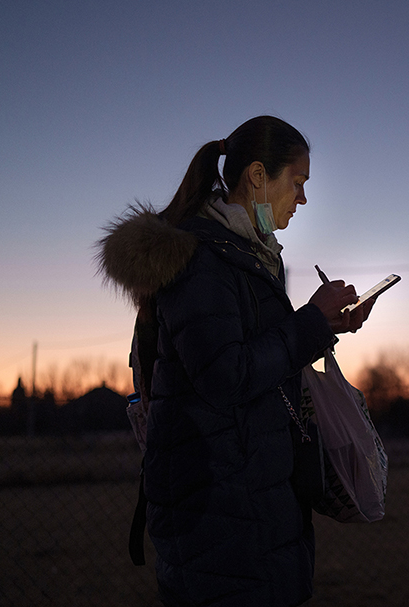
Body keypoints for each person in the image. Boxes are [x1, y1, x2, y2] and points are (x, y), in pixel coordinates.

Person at [97, 116, 372, 606]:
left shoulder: (248, 256)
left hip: (250, 500)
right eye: (299, 182)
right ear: (258, 176)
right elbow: (227, 375)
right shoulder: (203, 260)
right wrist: (310, 321)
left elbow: (258, 356)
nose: (303, 199)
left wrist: (328, 325)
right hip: (218, 511)